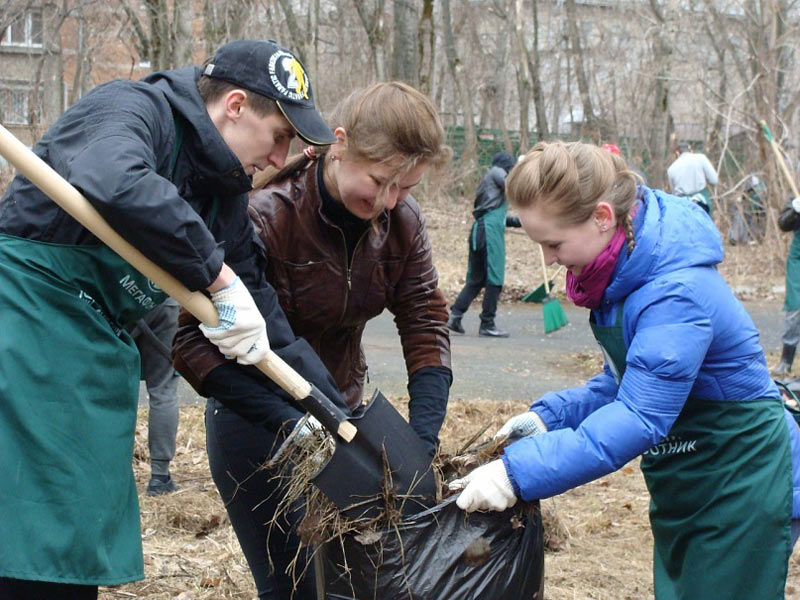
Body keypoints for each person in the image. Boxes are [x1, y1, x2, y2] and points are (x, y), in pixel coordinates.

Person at [0, 39, 346, 599]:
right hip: (26, 326)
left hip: (92, 351)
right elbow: (114, 177)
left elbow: (264, 320)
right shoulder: (132, 109)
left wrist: (331, 411)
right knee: (27, 525)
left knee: (73, 538)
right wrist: (216, 275)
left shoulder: (220, 194)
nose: (280, 160)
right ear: (235, 106)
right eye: (280, 136)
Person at [452, 141, 800, 599]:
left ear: (601, 217)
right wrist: (549, 418)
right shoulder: (621, 276)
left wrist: (517, 474)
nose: (551, 259)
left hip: (741, 481)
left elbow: (639, 415)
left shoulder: (673, 291)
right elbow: (623, 384)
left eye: (553, 243)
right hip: (689, 480)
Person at [172, 81, 453, 599]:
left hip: (346, 421)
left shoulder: (400, 224)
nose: (389, 201)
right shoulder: (265, 217)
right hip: (260, 428)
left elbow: (425, 319)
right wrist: (289, 422)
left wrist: (424, 438)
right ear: (339, 144)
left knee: (356, 585)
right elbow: (189, 343)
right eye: (380, 181)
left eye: (406, 188)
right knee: (294, 588)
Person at [446, 151, 521, 338]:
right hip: (489, 230)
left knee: (477, 279)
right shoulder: (496, 172)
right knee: (495, 277)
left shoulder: (490, 185)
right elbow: (513, 188)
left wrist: (523, 221)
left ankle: (455, 316)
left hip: (480, 229)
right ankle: (487, 323)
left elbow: (500, 216)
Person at [128, 297, 181, 495]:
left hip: (121, 298)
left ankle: (114, 468)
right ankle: (160, 476)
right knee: (163, 390)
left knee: (115, 386)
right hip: (165, 299)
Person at [772, 197, 800, 376]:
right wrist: (795, 210)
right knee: (795, 308)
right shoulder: (796, 198)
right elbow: (783, 224)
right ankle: (786, 360)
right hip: (798, 261)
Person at [666, 141, 718, 215]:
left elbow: (674, 193)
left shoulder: (671, 169)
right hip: (701, 204)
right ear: (690, 150)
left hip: (681, 207)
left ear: (677, 153)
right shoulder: (701, 158)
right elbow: (714, 180)